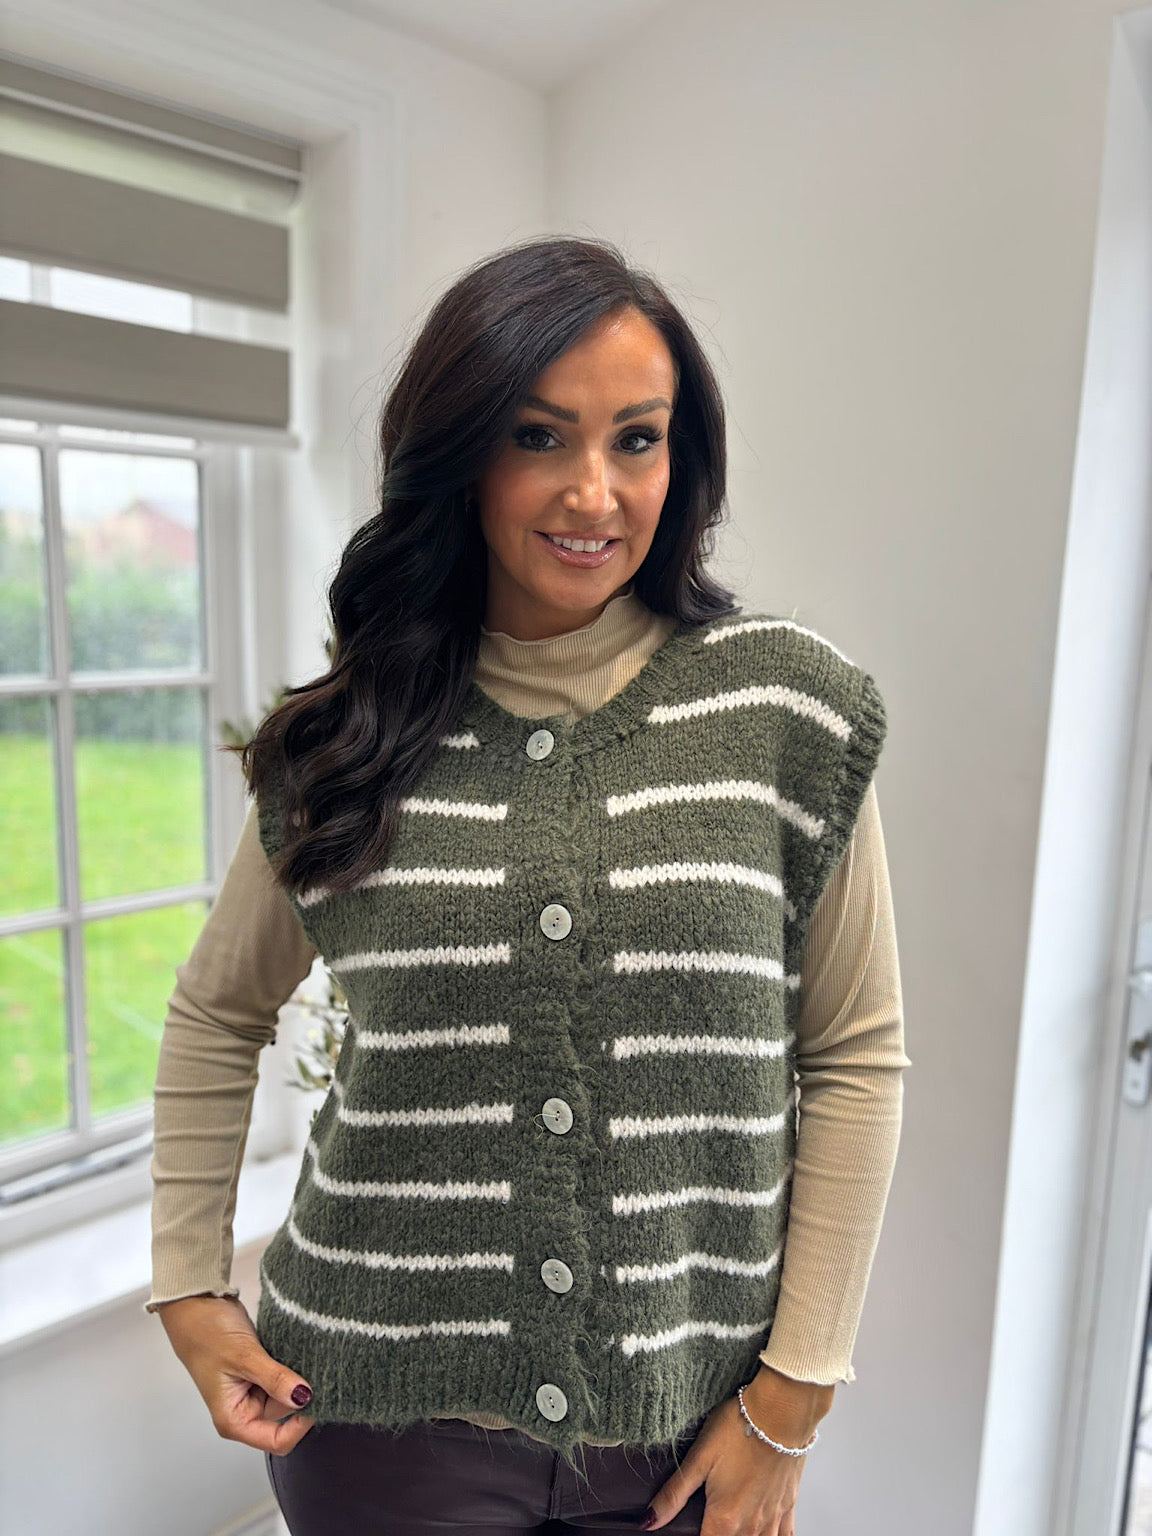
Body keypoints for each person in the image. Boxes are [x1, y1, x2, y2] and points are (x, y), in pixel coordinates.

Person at [146, 234, 910, 1536]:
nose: (594, 493)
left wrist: (795, 1395)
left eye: (637, 439)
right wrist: (187, 1283)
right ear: (460, 454)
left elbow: (855, 1056)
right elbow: (218, 1011)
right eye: (539, 436)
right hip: (377, 1429)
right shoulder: (345, 741)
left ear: (683, 458)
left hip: (688, 1435)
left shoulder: (788, 712)